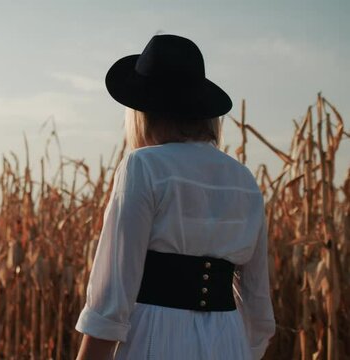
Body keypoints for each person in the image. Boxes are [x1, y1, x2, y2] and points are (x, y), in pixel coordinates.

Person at [74, 34, 276, 360]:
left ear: (142, 113)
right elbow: (258, 306)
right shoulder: (244, 181)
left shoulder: (144, 166)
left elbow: (111, 299)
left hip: (154, 338)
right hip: (229, 340)